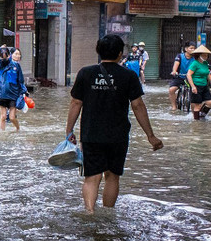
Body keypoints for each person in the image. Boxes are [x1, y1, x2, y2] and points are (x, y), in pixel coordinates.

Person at [65, 34, 163, 214]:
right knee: (112, 176)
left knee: (91, 177)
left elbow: (75, 103)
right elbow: (138, 105)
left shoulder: (86, 73)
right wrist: (150, 135)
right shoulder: (128, 76)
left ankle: (89, 212)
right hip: (118, 135)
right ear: (120, 54)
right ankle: (108, 215)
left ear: (98, 52)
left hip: (91, 133)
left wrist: (69, 131)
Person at [0, 44, 27, 131]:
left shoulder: (15, 66)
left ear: (9, 56)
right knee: (3, 117)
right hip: (1, 94)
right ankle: (1, 134)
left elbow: (20, 81)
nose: (3, 59)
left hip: (13, 95)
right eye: (2, 57)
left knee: (12, 117)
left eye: (5, 56)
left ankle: (18, 129)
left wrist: (23, 93)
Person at [186, 44, 211, 120]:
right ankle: (197, 122)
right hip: (196, 85)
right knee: (197, 105)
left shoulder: (205, 63)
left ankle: (201, 116)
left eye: (206, 56)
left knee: (210, 102)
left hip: (204, 85)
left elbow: (208, 74)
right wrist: (193, 86)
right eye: (204, 55)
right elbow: (189, 75)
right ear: (199, 55)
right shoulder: (195, 64)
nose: (205, 57)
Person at [169, 41, 196, 111]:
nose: (193, 50)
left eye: (194, 48)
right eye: (191, 48)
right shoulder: (180, 56)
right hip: (180, 77)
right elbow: (176, 65)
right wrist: (174, 71)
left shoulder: (195, 58)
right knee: (171, 90)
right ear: (186, 49)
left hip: (191, 78)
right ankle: (174, 106)